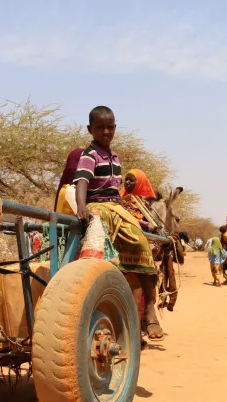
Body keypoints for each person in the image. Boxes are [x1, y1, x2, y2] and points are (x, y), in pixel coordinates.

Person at [74, 106, 161, 340]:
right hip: (98, 207)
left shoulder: (114, 156)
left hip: (117, 207)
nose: (106, 131)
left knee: (143, 249)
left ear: (115, 127)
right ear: (90, 129)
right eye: (100, 127)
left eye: (110, 127)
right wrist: (82, 208)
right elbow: (81, 182)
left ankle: (150, 310)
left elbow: (117, 191)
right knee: (100, 258)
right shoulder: (89, 155)